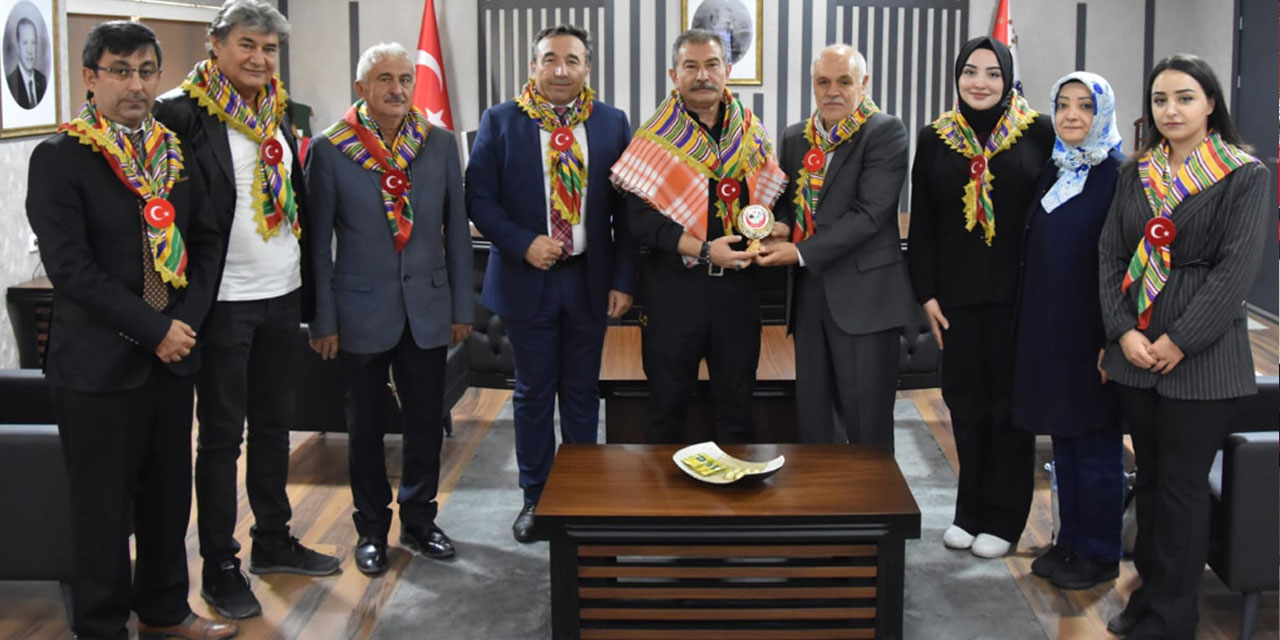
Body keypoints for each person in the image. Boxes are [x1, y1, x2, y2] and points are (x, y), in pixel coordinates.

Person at [26, 20, 233, 640]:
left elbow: (206, 242)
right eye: (120, 70)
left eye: (146, 71)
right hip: (96, 366)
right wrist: (154, 328)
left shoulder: (174, 149)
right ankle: (101, 625)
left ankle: (166, 611)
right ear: (90, 78)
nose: (136, 84)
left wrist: (184, 325)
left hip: (173, 359)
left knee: (169, 498)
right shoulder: (60, 156)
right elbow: (70, 269)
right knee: (101, 510)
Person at [153, 0, 338, 621]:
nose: (259, 59)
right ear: (215, 44)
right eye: (247, 46)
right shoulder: (177, 114)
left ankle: (272, 541)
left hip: (281, 293)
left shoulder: (274, 110)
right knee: (222, 438)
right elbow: (163, 218)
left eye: (269, 49)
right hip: (221, 304)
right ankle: (220, 564)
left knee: (275, 426)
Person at [1099, 54, 1268, 640]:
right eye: (1160, 99)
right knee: (1148, 481)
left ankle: (1173, 617)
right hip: (1136, 355)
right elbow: (1110, 256)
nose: (1171, 110)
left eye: (1185, 97)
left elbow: (1234, 273)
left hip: (1203, 361)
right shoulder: (1136, 172)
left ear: (1211, 104)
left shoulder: (1244, 174)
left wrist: (1178, 340)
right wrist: (1123, 332)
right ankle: (1147, 599)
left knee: (1181, 488)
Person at [307, 42, 473, 573]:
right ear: (362, 89)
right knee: (365, 427)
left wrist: (460, 304)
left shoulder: (440, 143)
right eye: (384, 79)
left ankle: (421, 521)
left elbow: (458, 236)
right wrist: (323, 318)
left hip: (427, 306)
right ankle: (372, 529)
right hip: (359, 312)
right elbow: (317, 244)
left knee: (425, 421)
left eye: (405, 78)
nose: (397, 89)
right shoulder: (330, 149)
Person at [467, 24, 637, 543]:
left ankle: (580, 492)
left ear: (588, 68)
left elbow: (628, 211)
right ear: (533, 66)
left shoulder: (611, 122)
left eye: (572, 60)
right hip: (527, 280)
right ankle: (536, 497)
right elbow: (479, 201)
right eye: (550, 59)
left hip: (589, 280)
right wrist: (523, 242)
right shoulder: (500, 121)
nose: (560, 69)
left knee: (583, 392)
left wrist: (624, 278)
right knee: (534, 393)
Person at [906, 35, 1054, 559]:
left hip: (1019, 299)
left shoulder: (1039, 130)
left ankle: (1005, 519)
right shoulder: (936, 136)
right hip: (957, 300)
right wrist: (925, 293)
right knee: (964, 407)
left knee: (1009, 410)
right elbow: (921, 220)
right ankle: (968, 511)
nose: (981, 82)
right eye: (971, 71)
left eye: (993, 73)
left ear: (1008, 78)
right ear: (957, 76)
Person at [612, 28, 786, 445]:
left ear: (727, 71)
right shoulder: (651, 139)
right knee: (666, 410)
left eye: (711, 65)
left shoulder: (751, 131)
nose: (702, 75)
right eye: (691, 66)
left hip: (738, 294)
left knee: (737, 407)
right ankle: (664, 509)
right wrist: (707, 251)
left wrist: (775, 226)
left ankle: (735, 504)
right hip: (675, 292)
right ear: (675, 74)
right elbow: (639, 221)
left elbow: (768, 202)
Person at [758, 44, 912, 451]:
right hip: (810, 297)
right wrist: (782, 227)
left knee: (867, 424)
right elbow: (796, 208)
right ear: (813, 85)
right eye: (823, 82)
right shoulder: (795, 137)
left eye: (844, 81)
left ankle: (873, 514)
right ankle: (820, 509)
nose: (833, 91)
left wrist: (799, 251)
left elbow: (869, 215)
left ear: (863, 84)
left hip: (866, 300)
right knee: (814, 418)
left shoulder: (884, 131)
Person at [1011, 71, 1125, 590]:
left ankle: (1099, 551)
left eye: (1085, 106)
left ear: (1103, 113)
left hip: (1093, 335)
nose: (1073, 115)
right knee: (1065, 444)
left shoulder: (1118, 176)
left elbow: (1127, 263)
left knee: (1096, 447)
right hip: (1048, 329)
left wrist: (1112, 338)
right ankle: (1069, 541)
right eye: (1063, 105)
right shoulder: (1056, 169)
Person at [7, 17, 47, 108]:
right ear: (17, 47)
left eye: (33, 43)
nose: (30, 51)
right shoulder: (11, 83)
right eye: (25, 43)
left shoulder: (42, 80)